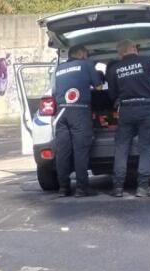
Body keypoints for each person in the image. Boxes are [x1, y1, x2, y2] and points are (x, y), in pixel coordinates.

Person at [106, 39, 150, 197]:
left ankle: (118, 188)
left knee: (121, 148)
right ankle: (143, 187)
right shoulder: (146, 61)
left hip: (126, 109)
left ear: (121, 53)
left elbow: (112, 95)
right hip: (146, 108)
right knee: (146, 148)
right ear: (134, 49)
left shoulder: (114, 69)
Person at [52, 46, 102, 196]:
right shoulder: (86, 64)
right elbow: (99, 87)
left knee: (63, 152)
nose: (87, 56)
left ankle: (63, 188)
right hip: (79, 110)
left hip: (61, 113)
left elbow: (54, 91)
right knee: (80, 150)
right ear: (81, 53)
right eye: (86, 53)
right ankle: (81, 188)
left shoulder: (59, 68)